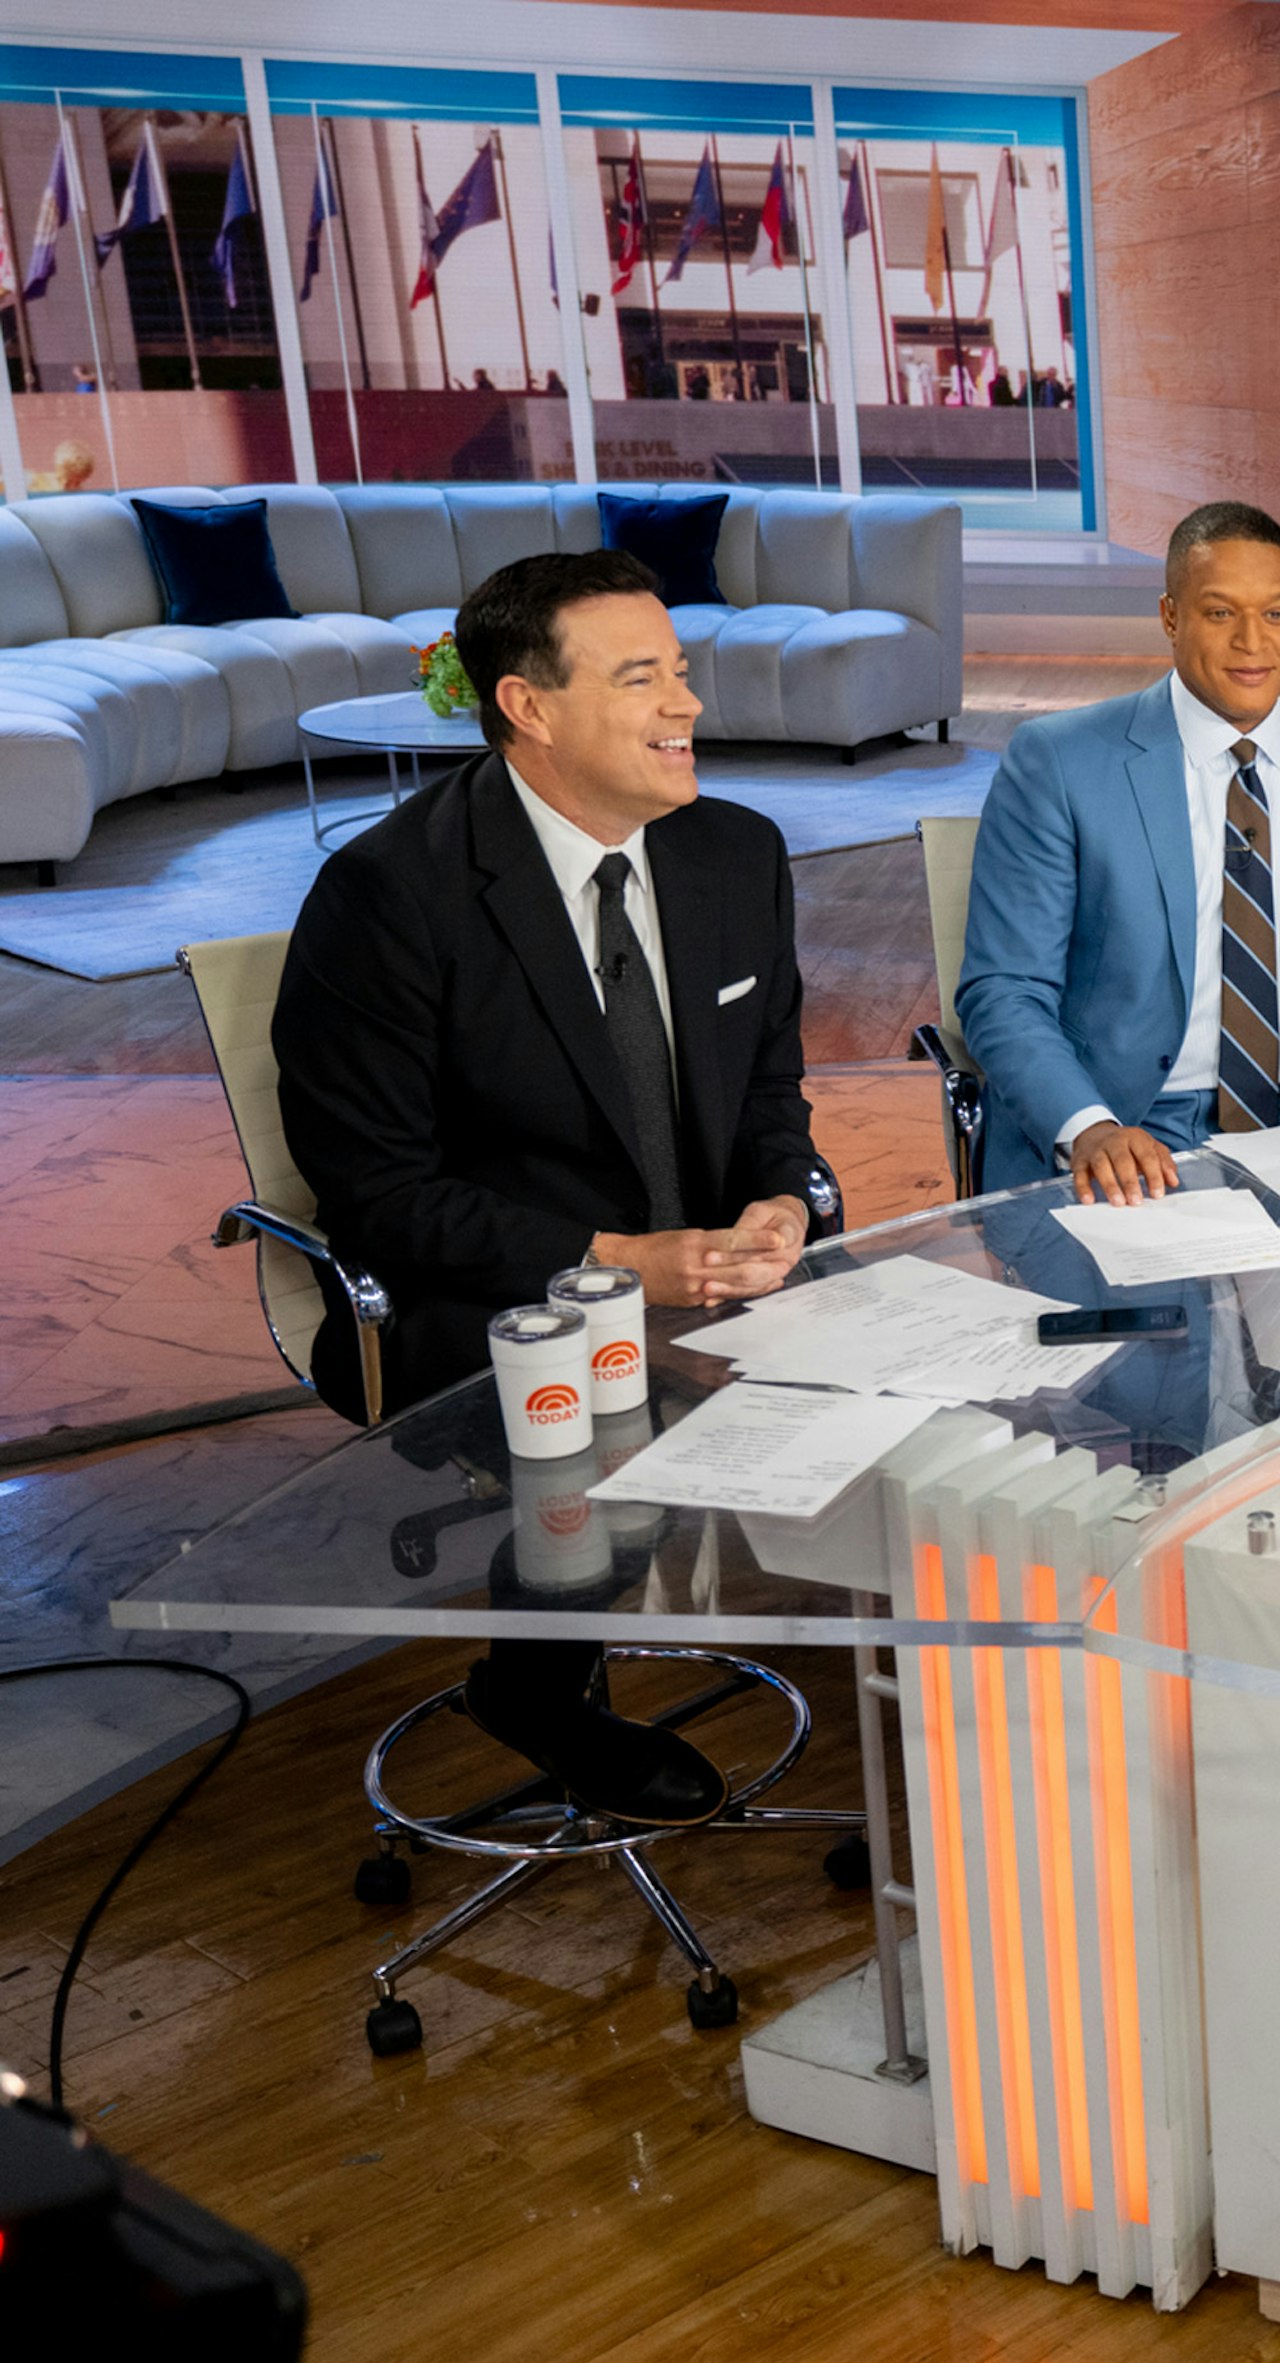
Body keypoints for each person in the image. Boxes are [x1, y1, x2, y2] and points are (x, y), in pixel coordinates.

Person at [276, 547, 821, 1828]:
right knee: (623, 1402)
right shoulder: (389, 896)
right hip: (490, 1303)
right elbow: (382, 1200)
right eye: (643, 679)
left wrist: (780, 1200)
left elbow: (767, 1095)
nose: (687, 705)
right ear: (530, 708)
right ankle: (537, 1695)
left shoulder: (736, 855)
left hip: (697, 1275)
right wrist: (627, 1261)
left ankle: (931, 1693)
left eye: (682, 672)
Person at [959, 500, 1280, 1201]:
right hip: (1126, 1129)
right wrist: (1089, 1127)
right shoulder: (1058, 762)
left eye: (1277, 614)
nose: (1252, 643)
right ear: (1171, 617)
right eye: (1221, 613)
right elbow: (1005, 992)